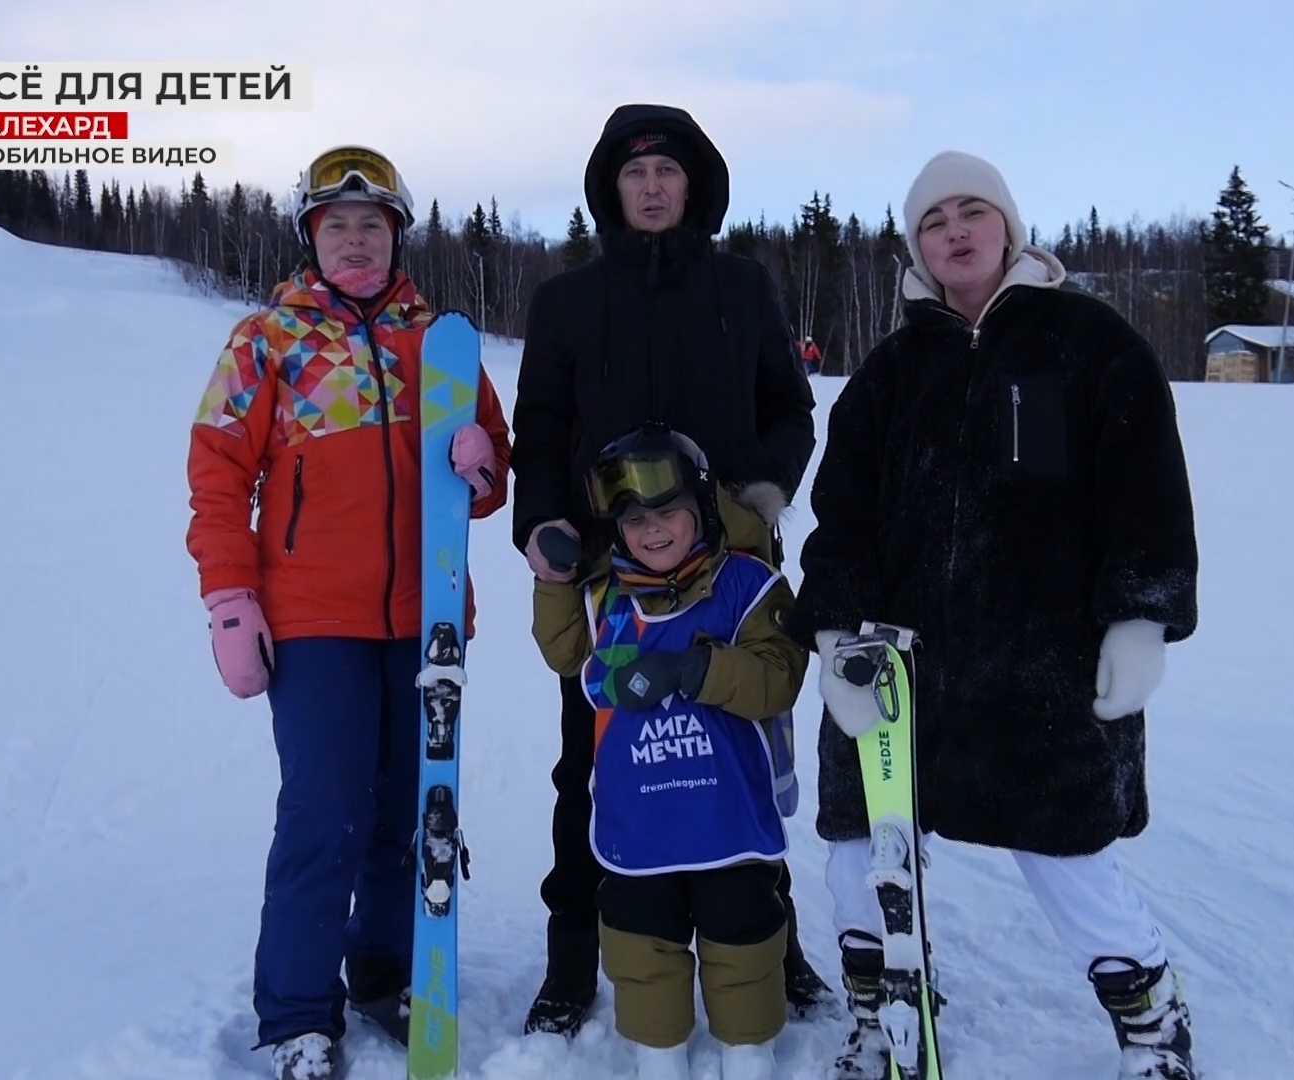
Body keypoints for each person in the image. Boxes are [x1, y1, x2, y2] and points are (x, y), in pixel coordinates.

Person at [789, 150, 1202, 1080]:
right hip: (895, 669)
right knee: (861, 857)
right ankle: (886, 1013)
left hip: (1039, 667)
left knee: (1069, 862)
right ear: (917, 248)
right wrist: (835, 632)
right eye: (934, 222)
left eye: (973, 211)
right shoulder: (890, 372)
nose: (956, 231)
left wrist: (1142, 618)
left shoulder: (1088, 343)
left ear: (1008, 226)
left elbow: (1147, 493)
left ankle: (1152, 1026)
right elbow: (841, 518)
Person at [185, 145, 513, 1080]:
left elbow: (484, 487)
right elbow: (217, 473)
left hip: (425, 618)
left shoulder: (438, 343)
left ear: (398, 237)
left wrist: (483, 459)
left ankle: (386, 973)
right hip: (315, 620)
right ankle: (297, 1013)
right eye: (339, 226)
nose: (357, 241)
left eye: (373, 225)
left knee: (412, 815)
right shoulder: (267, 341)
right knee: (324, 816)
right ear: (310, 238)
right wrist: (230, 596)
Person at [509, 103, 826, 1036]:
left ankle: (773, 941)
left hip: (727, 570)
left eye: (668, 172)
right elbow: (541, 430)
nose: (651, 188)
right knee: (595, 765)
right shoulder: (567, 301)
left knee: (743, 758)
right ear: (612, 188)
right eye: (635, 173)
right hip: (618, 579)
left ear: (695, 186)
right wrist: (546, 530)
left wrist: (763, 496)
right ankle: (574, 956)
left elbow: (787, 408)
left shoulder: (742, 287)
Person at [531, 423, 807, 1080]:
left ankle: (748, 1055)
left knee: (743, 936)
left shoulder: (745, 585)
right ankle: (661, 1059)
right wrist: (553, 577)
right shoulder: (610, 598)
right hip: (642, 823)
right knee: (639, 937)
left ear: (703, 509)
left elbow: (779, 674)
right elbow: (566, 652)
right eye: (633, 520)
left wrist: (698, 672)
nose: (652, 530)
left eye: (668, 513)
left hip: (727, 820)